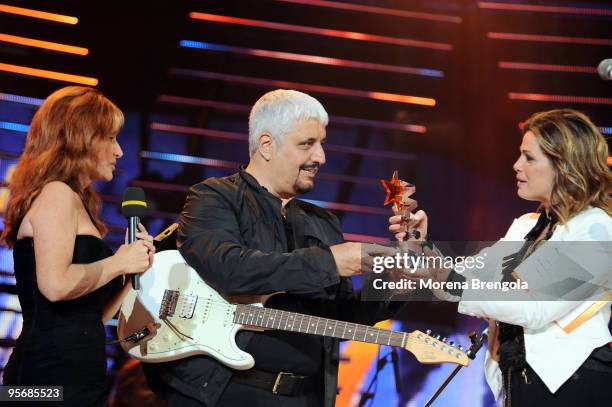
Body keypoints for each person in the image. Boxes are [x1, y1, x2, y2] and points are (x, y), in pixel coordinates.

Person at [144, 89, 402, 407]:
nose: (320, 157)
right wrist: (329, 262)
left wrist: (401, 275)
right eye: (307, 144)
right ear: (267, 145)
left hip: (303, 399)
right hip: (222, 395)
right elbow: (231, 270)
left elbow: (343, 318)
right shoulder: (213, 197)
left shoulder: (323, 222)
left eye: (322, 143)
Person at [389, 109, 612, 406]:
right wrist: (422, 246)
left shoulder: (597, 229)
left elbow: (535, 306)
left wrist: (449, 279)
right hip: (518, 382)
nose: (516, 165)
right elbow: (470, 275)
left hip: (573, 386)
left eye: (529, 157)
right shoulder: (526, 226)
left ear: (565, 166)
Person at [1, 86, 156, 406]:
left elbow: (90, 318)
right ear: (82, 138)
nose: (119, 151)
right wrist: (118, 262)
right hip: (45, 377)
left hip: (77, 372)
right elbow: (56, 286)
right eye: (111, 138)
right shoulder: (56, 194)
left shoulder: (73, 201)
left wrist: (133, 272)